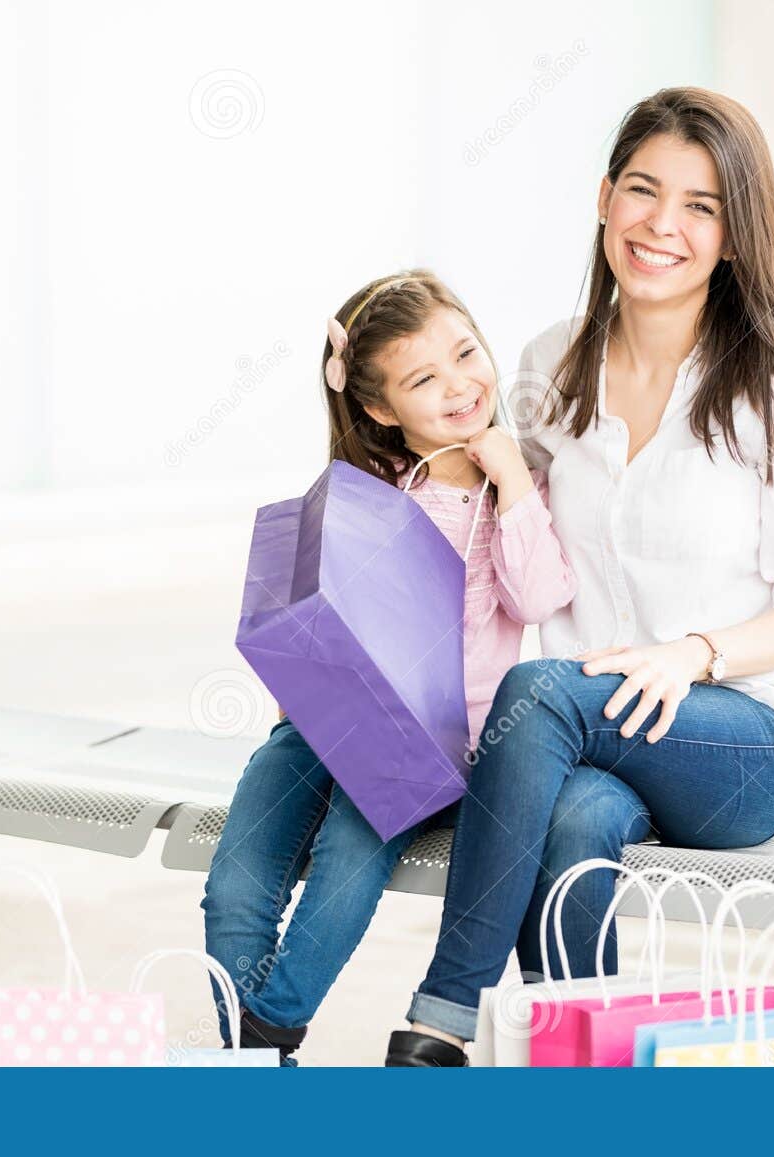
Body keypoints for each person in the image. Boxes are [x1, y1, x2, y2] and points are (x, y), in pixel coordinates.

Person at [387, 86, 774, 1067]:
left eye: (699, 206)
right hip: (594, 740)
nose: (661, 225)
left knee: (542, 692)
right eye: (642, 191)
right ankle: (581, 1076)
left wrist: (693, 654)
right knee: (574, 820)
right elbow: (505, 548)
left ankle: (440, 1016)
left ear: (733, 236)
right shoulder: (547, 364)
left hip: (741, 739)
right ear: (604, 198)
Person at [203, 270, 648, 1065]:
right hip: (321, 725)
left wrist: (511, 479)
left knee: (351, 845)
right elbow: (316, 617)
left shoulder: (521, 491)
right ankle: (249, 1061)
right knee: (237, 871)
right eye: (422, 378)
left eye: (466, 355)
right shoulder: (364, 490)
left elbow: (544, 593)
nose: (458, 386)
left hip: (437, 745)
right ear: (378, 407)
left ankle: (270, 1028)